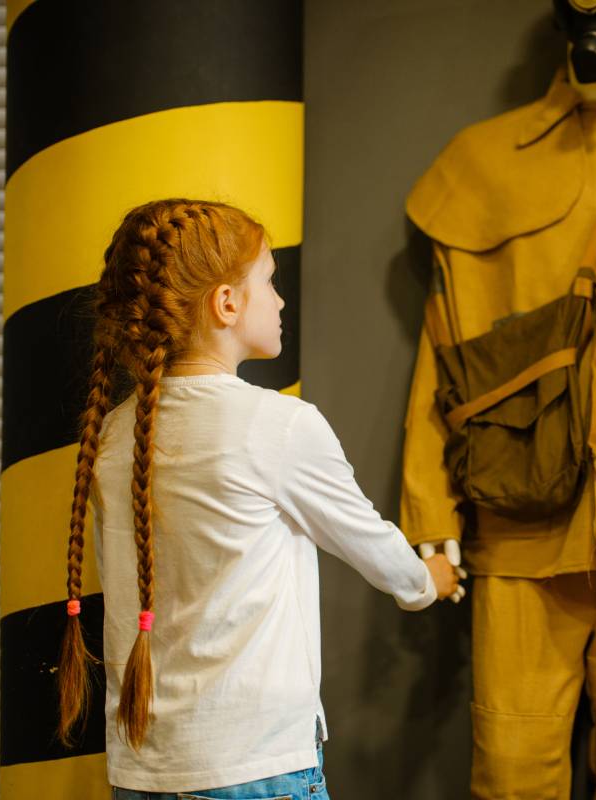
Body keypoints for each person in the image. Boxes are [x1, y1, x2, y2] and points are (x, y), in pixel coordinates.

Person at [55, 198, 459, 799]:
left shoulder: (112, 433)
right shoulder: (278, 426)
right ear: (226, 303)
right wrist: (433, 578)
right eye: (269, 283)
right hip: (256, 771)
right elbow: (381, 554)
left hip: (140, 775)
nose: (279, 301)